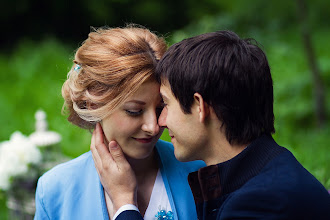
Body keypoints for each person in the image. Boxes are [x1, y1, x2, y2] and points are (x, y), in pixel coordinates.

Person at [92, 30, 330, 219]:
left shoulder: (256, 205)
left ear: (199, 107)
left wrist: (124, 204)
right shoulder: (269, 169)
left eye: (164, 104)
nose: (159, 124)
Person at [33, 26, 205, 220]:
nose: (153, 127)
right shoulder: (55, 191)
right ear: (93, 104)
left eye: (161, 108)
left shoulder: (200, 170)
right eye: (135, 111)